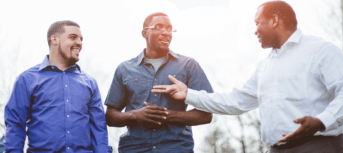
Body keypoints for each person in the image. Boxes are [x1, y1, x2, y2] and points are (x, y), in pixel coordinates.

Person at [152, 1, 343, 153]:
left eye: (258, 23)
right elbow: (236, 101)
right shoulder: (266, 66)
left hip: (320, 146)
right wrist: (189, 94)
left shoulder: (320, 50)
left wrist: (321, 121)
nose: (255, 31)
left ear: (274, 20)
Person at [104, 12, 214, 153]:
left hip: (176, 148)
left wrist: (167, 116)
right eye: (159, 27)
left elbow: (206, 115)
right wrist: (135, 115)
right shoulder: (124, 69)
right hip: (134, 148)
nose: (166, 32)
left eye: (169, 28)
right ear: (144, 33)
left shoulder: (188, 65)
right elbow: (111, 117)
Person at [4, 20, 112, 152]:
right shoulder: (27, 79)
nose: (79, 43)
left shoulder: (90, 83)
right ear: (54, 39)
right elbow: (15, 125)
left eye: (81, 39)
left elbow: (99, 128)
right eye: (73, 37)